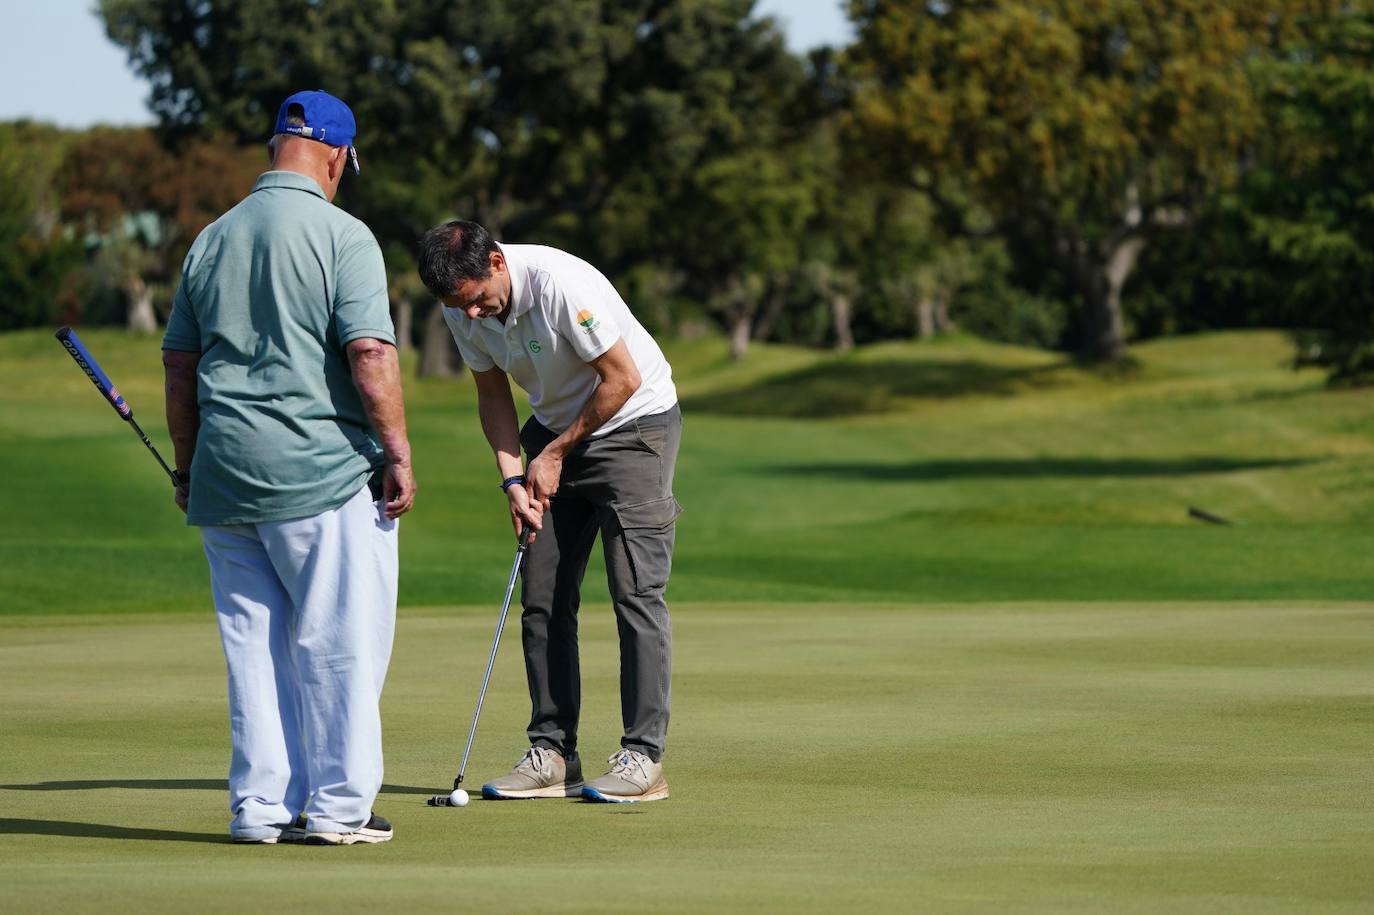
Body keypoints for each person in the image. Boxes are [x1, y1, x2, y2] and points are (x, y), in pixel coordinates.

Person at [162, 90, 415, 844]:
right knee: (338, 641)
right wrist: (398, 451)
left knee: (255, 649)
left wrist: (187, 465)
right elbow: (369, 352)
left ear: (277, 147)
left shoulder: (210, 238)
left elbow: (180, 365)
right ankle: (338, 809)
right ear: (337, 156)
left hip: (226, 474)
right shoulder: (346, 236)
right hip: (321, 474)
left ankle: (261, 808)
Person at [417, 220, 682, 803]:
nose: (475, 317)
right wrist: (513, 476)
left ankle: (643, 759)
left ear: (496, 262)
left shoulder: (561, 283)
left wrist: (557, 452)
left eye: (480, 301)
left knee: (634, 592)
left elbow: (622, 378)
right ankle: (554, 754)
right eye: (461, 309)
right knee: (542, 596)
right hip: (556, 429)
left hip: (634, 425)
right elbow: (492, 395)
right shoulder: (462, 306)